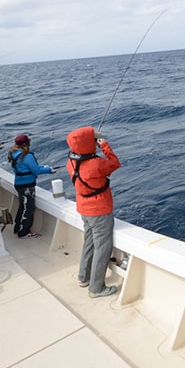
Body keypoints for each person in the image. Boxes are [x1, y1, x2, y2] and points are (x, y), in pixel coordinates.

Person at [66, 126, 121, 298]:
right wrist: (104, 145)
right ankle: (96, 288)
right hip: (99, 211)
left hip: (84, 209)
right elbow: (114, 163)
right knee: (102, 248)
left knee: (89, 243)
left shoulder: (71, 163)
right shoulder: (95, 164)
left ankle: (83, 277)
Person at [8, 134, 55, 238]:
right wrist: (49, 170)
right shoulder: (27, 155)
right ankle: (23, 232)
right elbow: (36, 170)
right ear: (26, 143)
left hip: (19, 183)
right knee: (28, 208)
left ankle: (17, 228)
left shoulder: (14, 153)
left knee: (22, 206)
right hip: (27, 186)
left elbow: (28, 167)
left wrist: (44, 167)